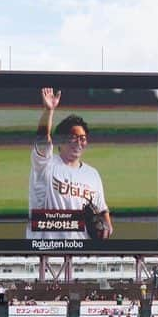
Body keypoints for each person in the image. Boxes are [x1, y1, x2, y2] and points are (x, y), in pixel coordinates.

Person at [27, 87, 113, 240]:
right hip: (46, 252)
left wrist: (107, 227)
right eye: (73, 137)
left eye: (83, 138)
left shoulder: (92, 174)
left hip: (80, 256)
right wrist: (49, 110)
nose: (79, 142)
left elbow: (102, 209)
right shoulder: (46, 164)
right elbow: (42, 138)